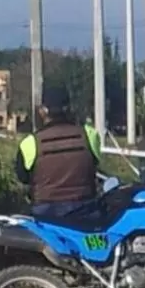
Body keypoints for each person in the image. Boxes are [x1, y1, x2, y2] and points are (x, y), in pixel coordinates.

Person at [14, 86, 101, 217]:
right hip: (85, 211)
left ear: (43, 111)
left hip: (45, 216)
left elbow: (23, 177)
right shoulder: (89, 135)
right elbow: (95, 163)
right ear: (69, 107)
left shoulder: (30, 142)